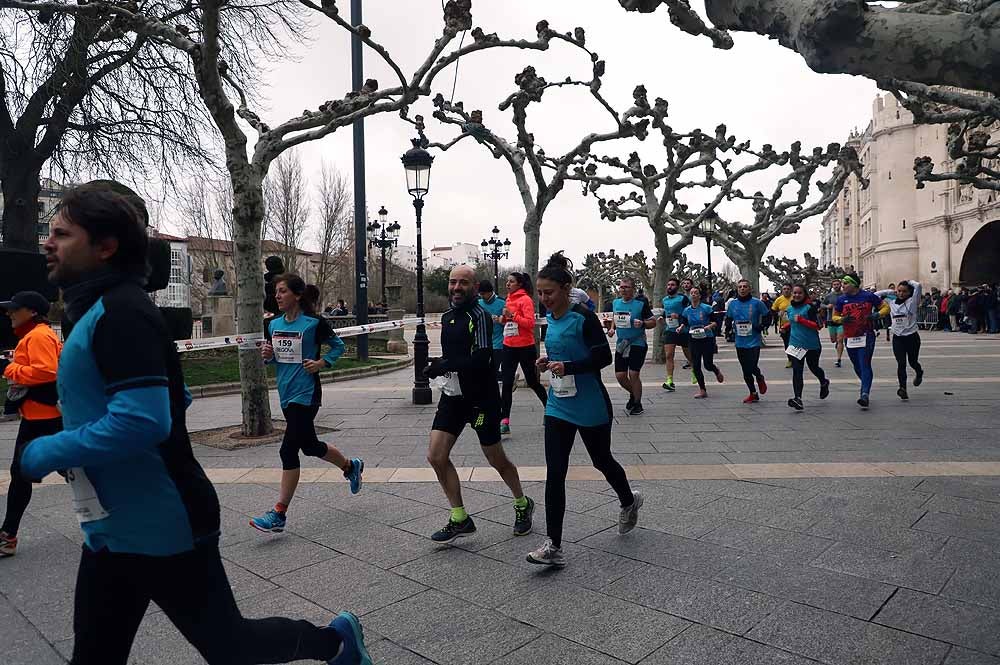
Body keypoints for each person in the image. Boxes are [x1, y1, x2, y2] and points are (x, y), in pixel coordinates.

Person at [21, 185, 369, 665]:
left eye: (61, 233)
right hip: (113, 522)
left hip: (165, 521)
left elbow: (141, 420)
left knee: (231, 646)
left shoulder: (120, 311)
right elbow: (168, 397)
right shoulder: (96, 310)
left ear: (106, 246)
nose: (47, 242)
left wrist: (49, 450)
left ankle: (335, 642)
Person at [528, 253, 641, 567]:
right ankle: (553, 545)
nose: (543, 298)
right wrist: (546, 363)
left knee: (601, 460)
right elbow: (558, 354)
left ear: (566, 288)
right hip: (558, 405)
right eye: (539, 292)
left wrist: (569, 366)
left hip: (591, 404)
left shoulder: (583, 316)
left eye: (548, 292)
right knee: (555, 472)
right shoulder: (548, 319)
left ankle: (629, 501)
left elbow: (602, 358)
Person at [423, 265, 534, 542]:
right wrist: (440, 367)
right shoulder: (448, 317)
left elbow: (482, 358)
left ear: (474, 287)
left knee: (495, 458)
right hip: (453, 397)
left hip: (481, 399)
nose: (456, 287)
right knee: (436, 456)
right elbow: (453, 358)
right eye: (453, 282)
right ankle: (460, 517)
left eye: (463, 283)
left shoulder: (480, 316)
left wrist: (444, 364)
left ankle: (522, 503)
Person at [252, 273, 364, 533]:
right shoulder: (272, 324)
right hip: (285, 393)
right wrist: (268, 355)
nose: (277, 296)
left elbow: (338, 346)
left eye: (282, 291)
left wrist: (321, 363)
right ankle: (351, 466)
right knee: (311, 446)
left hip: (307, 394)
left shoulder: (314, 323)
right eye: (276, 292)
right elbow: (274, 356)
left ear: (297, 295)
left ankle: (278, 513)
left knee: (288, 451)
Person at [0, 291, 63, 557]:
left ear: (32, 312)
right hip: (41, 417)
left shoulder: (38, 336)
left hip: (43, 419)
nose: (9, 313)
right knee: (75, 471)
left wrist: (8, 368)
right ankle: (8, 535)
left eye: (15, 309)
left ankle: (7, 537)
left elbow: (46, 371)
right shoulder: (37, 335)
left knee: (23, 475)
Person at [831, 273, 889, 410]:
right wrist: (841, 320)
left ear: (854, 284)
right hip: (849, 337)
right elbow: (834, 316)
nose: (842, 286)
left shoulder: (868, 296)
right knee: (856, 365)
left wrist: (876, 315)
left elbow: (886, 308)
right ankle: (866, 383)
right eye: (842, 283)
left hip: (866, 335)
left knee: (864, 363)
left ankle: (864, 394)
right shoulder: (841, 300)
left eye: (845, 283)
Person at [499, 271, 547, 435]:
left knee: (533, 382)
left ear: (519, 284)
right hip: (508, 345)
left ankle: (550, 410)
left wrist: (512, 315)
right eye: (507, 281)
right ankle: (504, 421)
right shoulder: (508, 298)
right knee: (506, 384)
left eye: (511, 281)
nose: (507, 284)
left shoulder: (525, 299)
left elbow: (529, 323)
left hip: (525, 347)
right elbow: (509, 321)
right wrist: (504, 319)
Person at [605, 277, 655, 415]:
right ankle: (634, 394)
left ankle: (638, 404)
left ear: (633, 289)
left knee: (633, 373)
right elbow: (615, 318)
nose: (623, 289)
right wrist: (612, 329)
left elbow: (653, 322)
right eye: (621, 287)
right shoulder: (615, 303)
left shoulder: (640, 304)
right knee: (620, 376)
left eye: (626, 287)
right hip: (622, 343)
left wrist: (643, 324)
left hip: (637, 342)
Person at [782, 285, 830, 410]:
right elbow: (793, 321)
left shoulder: (810, 308)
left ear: (804, 295)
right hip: (795, 344)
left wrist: (803, 320)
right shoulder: (790, 309)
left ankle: (824, 381)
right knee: (797, 370)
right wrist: (785, 327)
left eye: (800, 293)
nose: (797, 295)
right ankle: (798, 398)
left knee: (813, 367)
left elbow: (818, 325)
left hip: (811, 345)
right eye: (795, 293)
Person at [876, 280, 924, 400]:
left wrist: (908, 281)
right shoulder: (891, 301)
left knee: (912, 362)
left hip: (912, 337)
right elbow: (874, 295)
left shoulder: (913, 301)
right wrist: (889, 291)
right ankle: (903, 388)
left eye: (904, 291)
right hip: (898, 337)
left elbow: (918, 286)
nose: (901, 294)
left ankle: (919, 372)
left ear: (909, 293)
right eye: (899, 291)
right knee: (901, 363)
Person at [725, 279, 769, 403]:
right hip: (740, 341)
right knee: (745, 369)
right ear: (737, 289)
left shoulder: (757, 303)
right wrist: (728, 329)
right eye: (740, 287)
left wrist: (761, 327)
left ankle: (759, 377)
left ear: (749, 289)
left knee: (752, 365)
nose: (742, 289)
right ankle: (753, 393)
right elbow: (728, 318)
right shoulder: (733, 304)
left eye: (745, 287)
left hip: (754, 340)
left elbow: (767, 315)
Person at [678, 286, 723, 398]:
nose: (693, 294)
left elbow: (715, 322)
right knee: (696, 365)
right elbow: (684, 322)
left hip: (707, 338)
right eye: (691, 293)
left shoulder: (706, 308)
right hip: (693, 339)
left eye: (695, 293)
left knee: (707, 364)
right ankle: (702, 389)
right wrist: (680, 327)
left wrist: (708, 327)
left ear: (699, 295)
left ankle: (716, 370)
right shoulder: (686, 310)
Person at [660, 277, 692, 392]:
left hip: (683, 330)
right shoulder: (664, 300)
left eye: (672, 285)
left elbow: (689, 312)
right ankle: (670, 381)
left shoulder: (683, 298)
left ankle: (694, 369)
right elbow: (666, 311)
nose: (670, 287)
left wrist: (679, 316)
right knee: (669, 355)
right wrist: (662, 317)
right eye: (668, 285)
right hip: (670, 330)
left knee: (688, 355)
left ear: (677, 287)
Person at [477, 279, 506, 381]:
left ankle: (506, 377)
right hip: (483, 343)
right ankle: (506, 377)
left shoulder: (502, 303)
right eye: (480, 294)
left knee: (492, 371)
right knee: (483, 371)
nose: (481, 296)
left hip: (498, 343)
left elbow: (508, 322)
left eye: (483, 294)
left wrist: (500, 320)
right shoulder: (478, 303)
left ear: (490, 292)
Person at [823, 279, 846, 367]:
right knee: (834, 340)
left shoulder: (844, 295)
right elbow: (822, 304)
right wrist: (827, 306)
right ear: (832, 286)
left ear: (840, 285)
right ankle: (837, 342)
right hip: (831, 320)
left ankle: (839, 359)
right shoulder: (829, 296)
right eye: (834, 284)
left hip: (841, 320)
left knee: (840, 339)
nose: (836, 286)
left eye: (837, 284)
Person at [771, 283, 793, 367]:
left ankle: (796, 359)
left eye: (788, 289)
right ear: (782, 290)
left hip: (794, 324)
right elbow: (773, 310)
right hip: (783, 325)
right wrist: (777, 313)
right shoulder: (779, 300)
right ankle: (790, 359)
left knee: (794, 343)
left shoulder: (794, 298)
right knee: (787, 343)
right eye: (784, 289)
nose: (786, 290)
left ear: (791, 290)